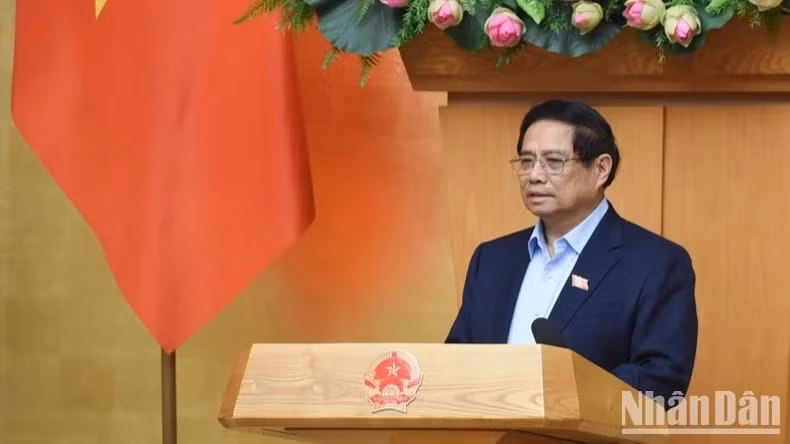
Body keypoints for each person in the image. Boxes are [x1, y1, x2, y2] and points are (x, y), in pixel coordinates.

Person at [445, 99, 698, 402]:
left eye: (553, 161)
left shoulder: (655, 263)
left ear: (601, 168)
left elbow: (662, 380)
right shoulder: (492, 260)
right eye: (526, 161)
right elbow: (456, 361)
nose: (535, 175)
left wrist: (557, 395)